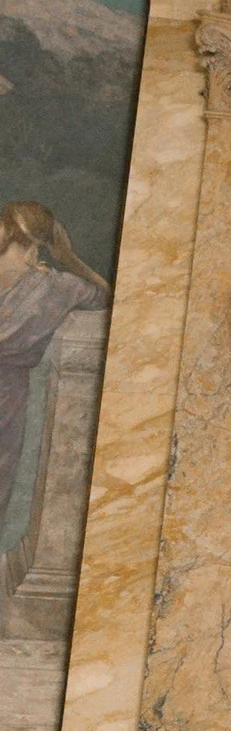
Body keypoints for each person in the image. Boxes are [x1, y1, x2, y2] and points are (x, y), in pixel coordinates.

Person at [0, 203, 107, 522]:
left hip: (6, 398)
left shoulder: (57, 287)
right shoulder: (55, 286)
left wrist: (70, 261)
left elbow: (109, 300)